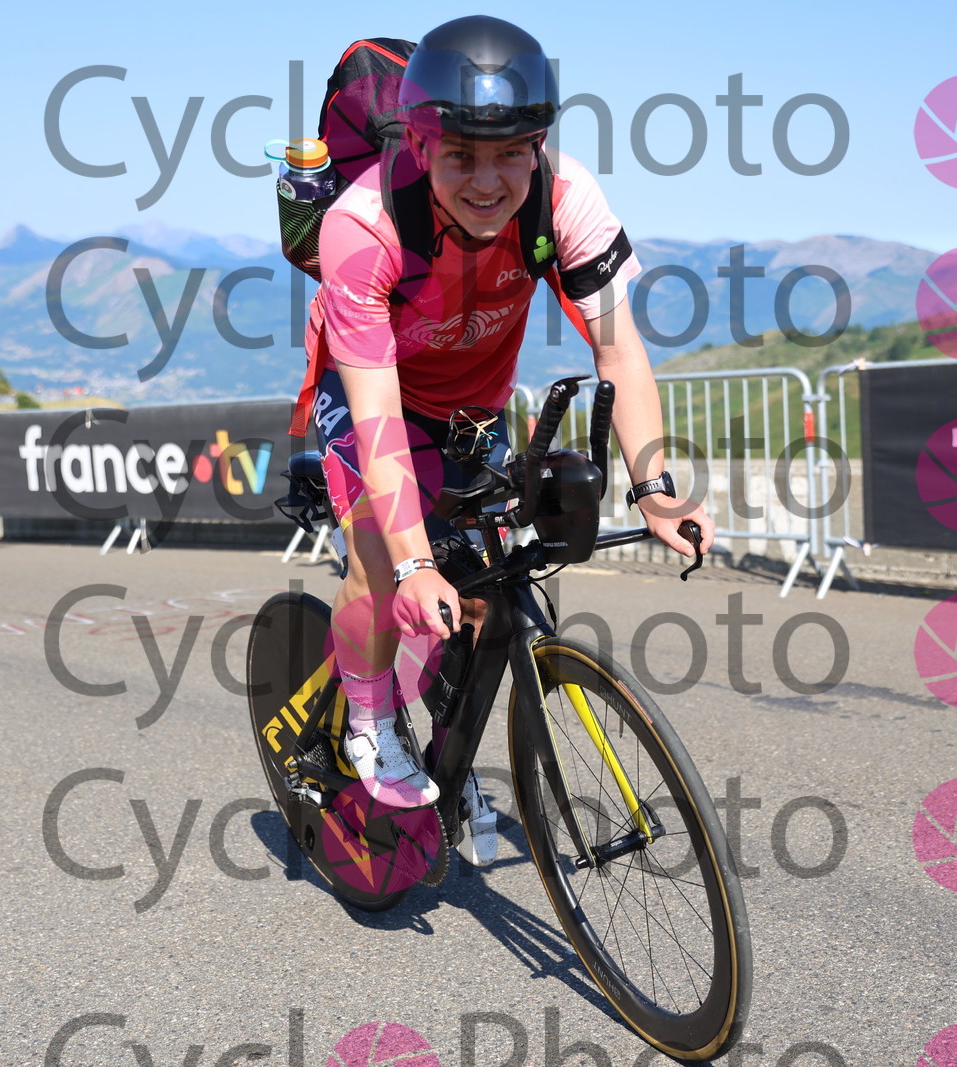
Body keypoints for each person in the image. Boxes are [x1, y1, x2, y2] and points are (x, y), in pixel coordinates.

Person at [291, 15, 714, 864]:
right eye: (461, 157)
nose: (488, 182)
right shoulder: (363, 224)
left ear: (539, 143)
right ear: (419, 144)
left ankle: (447, 731)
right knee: (381, 554)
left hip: (472, 407)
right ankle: (367, 716)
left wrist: (655, 488)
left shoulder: (566, 196)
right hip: (373, 399)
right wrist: (412, 562)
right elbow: (377, 419)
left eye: (511, 153)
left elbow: (619, 350)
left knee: (487, 589)